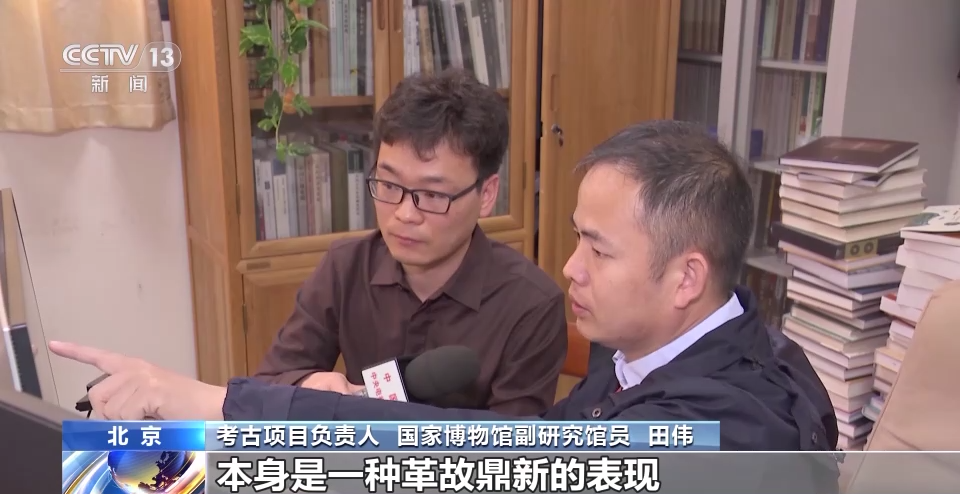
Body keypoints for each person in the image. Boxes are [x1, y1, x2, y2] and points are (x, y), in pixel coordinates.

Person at [49, 120, 838, 453]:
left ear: (687, 276)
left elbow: (511, 455)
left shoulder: (728, 428)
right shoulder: (640, 348)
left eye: (598, 250)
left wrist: (216, 402)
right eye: (576, 239)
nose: (571, 267)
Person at [253, 68, 567, 415]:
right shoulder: (345, 268)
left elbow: (513, 443)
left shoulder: (531, 305)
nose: (404, 214)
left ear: (487, 194)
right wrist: (307, 385)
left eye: (432, 194)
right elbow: (265, 385)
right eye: (389, 185)